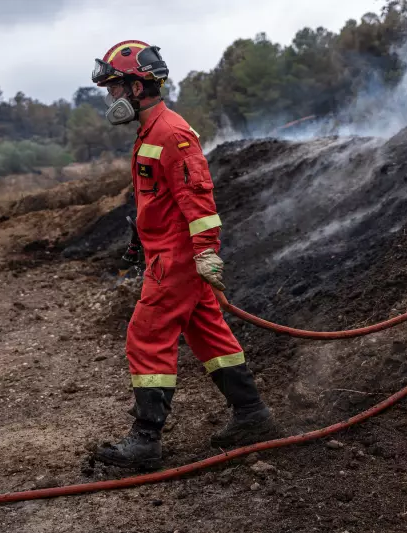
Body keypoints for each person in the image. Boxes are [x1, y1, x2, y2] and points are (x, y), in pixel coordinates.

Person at [90, 40, 275, 470]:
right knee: (209, 334)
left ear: (139, 88)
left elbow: (198, 200)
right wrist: (140, 235)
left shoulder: (173, 134)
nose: (111, 97)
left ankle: (146, 439)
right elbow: (160, 197)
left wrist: (207, 253)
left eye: (115, 87)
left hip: (177, 261)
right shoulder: (149, 133)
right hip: (166, 253)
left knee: (147, 335)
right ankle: (252, 415)